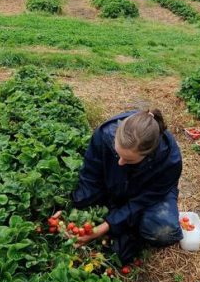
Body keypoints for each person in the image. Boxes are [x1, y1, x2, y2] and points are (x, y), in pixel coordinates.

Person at [69, 107, 183, 263]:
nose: (120, 162)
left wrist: (103, 227)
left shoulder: (169, 162)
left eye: (128, 160)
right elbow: (90, 175)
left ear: (148, 154)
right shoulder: (105, 134)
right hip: (118, 182)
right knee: (89, 200)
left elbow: (142, 202)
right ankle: (122, 221)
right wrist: (73, 210)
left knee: (162, 231)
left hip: (148, 193)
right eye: (117, 153)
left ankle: (131, 228)